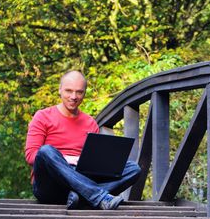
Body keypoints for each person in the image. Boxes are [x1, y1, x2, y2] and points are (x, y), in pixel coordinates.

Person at [25, 70, 141, 210]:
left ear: (84, 93)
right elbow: (31, 156)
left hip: (81, 177)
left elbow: (95, 162)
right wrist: (66, 159)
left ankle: (80, 198)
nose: (74, 97)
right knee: (45, 151)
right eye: (69, 91)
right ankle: (98, 196)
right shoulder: (42, 116)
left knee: (133, 168)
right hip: (50, 185)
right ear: (60, 90)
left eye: (79, 92)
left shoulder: (90, 123)